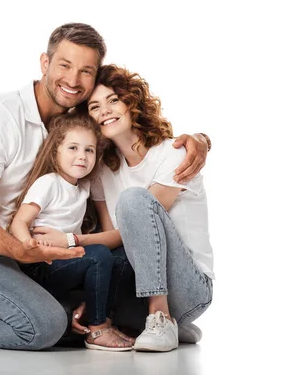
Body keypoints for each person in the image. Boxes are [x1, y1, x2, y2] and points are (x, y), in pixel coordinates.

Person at [0, 22, 210, 351]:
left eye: (86, 71)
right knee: (46, 327)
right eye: (64, 65)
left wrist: (201, 140)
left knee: (77, 311)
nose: (73, 81)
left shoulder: (77, 136)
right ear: (44, 63)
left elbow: (127, 222)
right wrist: (24, 251)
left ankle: (158, 318)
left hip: (20, 259)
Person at [70, 64, 214, 352]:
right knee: (69, 318)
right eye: (95, 107)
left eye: (113, 100)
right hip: (136, 288)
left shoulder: (174, 153)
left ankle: (161, 316)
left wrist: (71, 242)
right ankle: (164, 323)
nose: (105, 111)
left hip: (188, 287)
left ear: (131, 102)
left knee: (133, 200)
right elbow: (113, 249)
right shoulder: (101, 171)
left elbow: (129, 233)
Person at [9, 113, 134, 351]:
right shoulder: (49, 183)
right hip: (42, 265)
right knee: (98, 255)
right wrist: (30, 246)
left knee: (120, 256)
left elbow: (109, 234)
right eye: (73, 148)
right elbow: (19, 222)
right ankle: (97, 330)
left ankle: (100, 316)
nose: (81, 156)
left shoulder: (84, 187)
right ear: (56, 151)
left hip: (69, 261)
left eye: (89, 150)